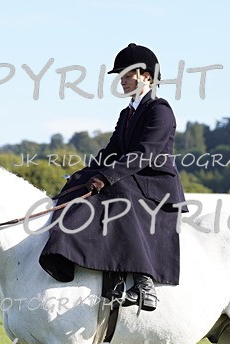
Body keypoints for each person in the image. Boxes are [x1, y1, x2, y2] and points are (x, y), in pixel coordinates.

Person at [39, 43, 186, 312]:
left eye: (127, 75)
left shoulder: (160, 110)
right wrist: (88, 173)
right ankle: (63, 255)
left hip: (155, 186)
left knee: (118, 190)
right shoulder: (127, 112)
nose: (122, 81)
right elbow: (112, 152)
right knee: (80, 183)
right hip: (132, 178)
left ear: (146, 76)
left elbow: (145, 153)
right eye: (120, 77)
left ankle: (144, 283)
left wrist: (106, 178)